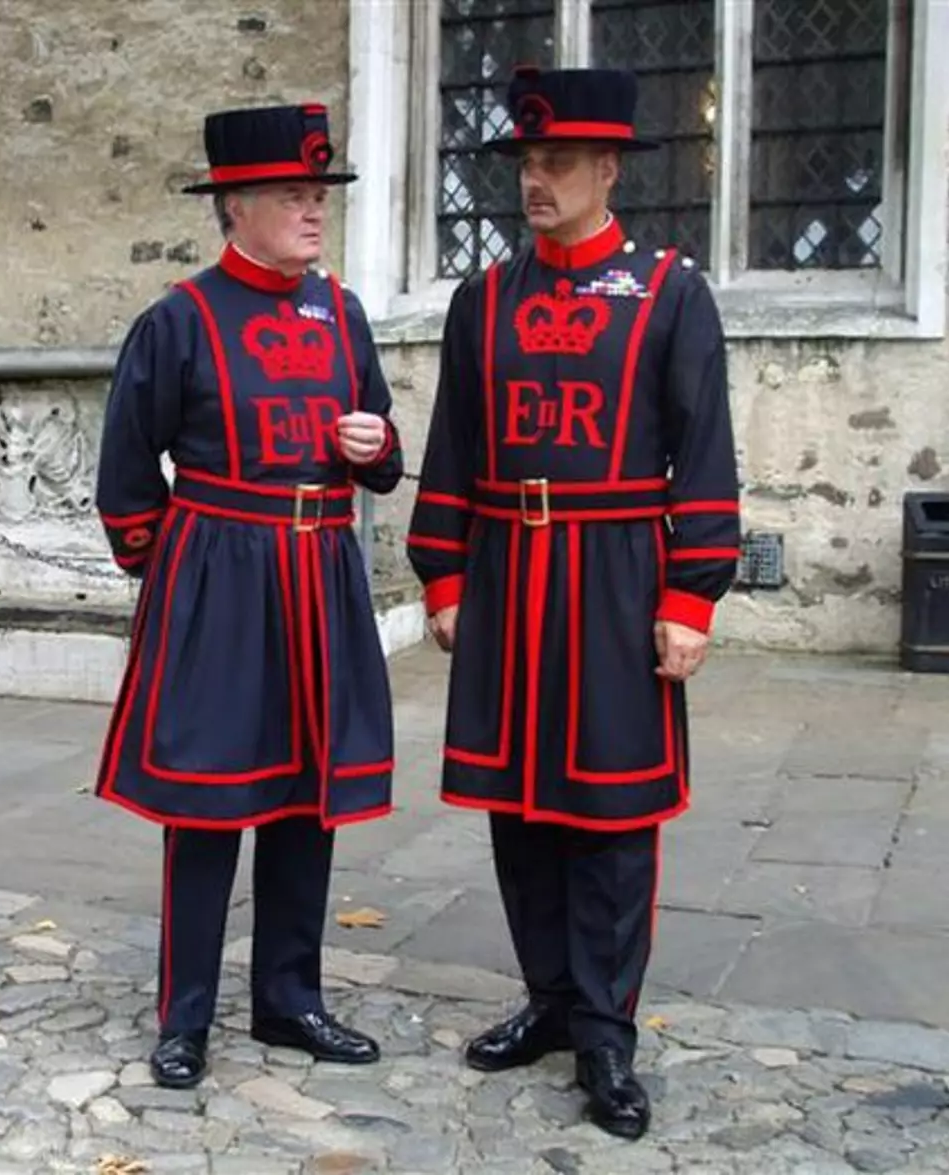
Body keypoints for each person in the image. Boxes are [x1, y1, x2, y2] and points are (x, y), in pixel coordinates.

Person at [407, 66, 740, 1141]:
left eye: (556, 163)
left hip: (614, 578)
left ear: (608, 169)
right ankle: (550, 998)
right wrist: (446, 572)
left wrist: (692, 594)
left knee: (612, 814)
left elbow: (703, 453)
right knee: (520, 804)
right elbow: (453, 440)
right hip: (507, 572)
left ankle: (607, 1028)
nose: (535, 182)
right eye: (526, 163)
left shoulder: (670, 293)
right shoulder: (485, 299)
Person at [93, 102, 404, 1091]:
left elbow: (384, 450)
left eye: (320, 195)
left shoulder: (342, 313)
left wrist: (378, 449)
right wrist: (174, 579)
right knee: (209, 802)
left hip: (321, 577)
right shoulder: (177, 321)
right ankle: (184, 1015)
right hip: (219, 581)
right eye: (294, 196)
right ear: (234, 206)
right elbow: (125, 472)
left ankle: (289, 998)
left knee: (308, 797)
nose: (315, 212)